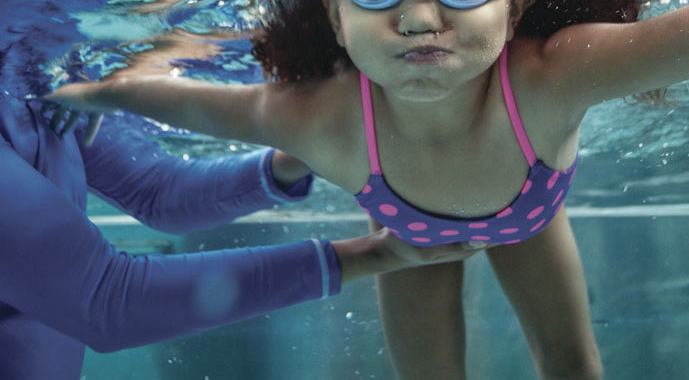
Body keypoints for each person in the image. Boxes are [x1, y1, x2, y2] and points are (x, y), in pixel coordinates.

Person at [48, 0, 689, 380]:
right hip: (406, 237)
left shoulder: (547, 79)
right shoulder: (324, 117)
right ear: (335, 18)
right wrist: (100, 92)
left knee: (573, 366)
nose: (417, 17)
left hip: (527, 217)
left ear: (512, 10)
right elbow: (206, 106)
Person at [0, 39, 478, 380]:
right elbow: (107, 302)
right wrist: (372, 255)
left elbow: (156, 191)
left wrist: (311, 151)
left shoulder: (26, 66)